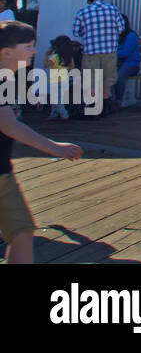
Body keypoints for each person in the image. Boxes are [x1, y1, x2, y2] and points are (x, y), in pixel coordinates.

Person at [0, 22, 84, 264]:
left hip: (3, 173)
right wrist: (55, 148)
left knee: (22, 232)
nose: (33, 51)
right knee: (21, 232)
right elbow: (9, 125)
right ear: (6, 52)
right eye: (27, 47)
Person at [70, 0, 125, 116]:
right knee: (107, 80)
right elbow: (121, 28)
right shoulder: (113, 9)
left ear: (89, 1)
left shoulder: (82, 12)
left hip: (91, 51)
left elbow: (76, 32)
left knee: (91, 80)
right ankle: (106, 107)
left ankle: (93, 108)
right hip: (110, 50)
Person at [113, 16, 141, 107]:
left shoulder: (131, 35)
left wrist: (111, 55)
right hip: (117, 63)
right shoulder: (115, 35)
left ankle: (118, 100)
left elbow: (126, 52)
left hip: (131, 64)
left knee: (118, 76)